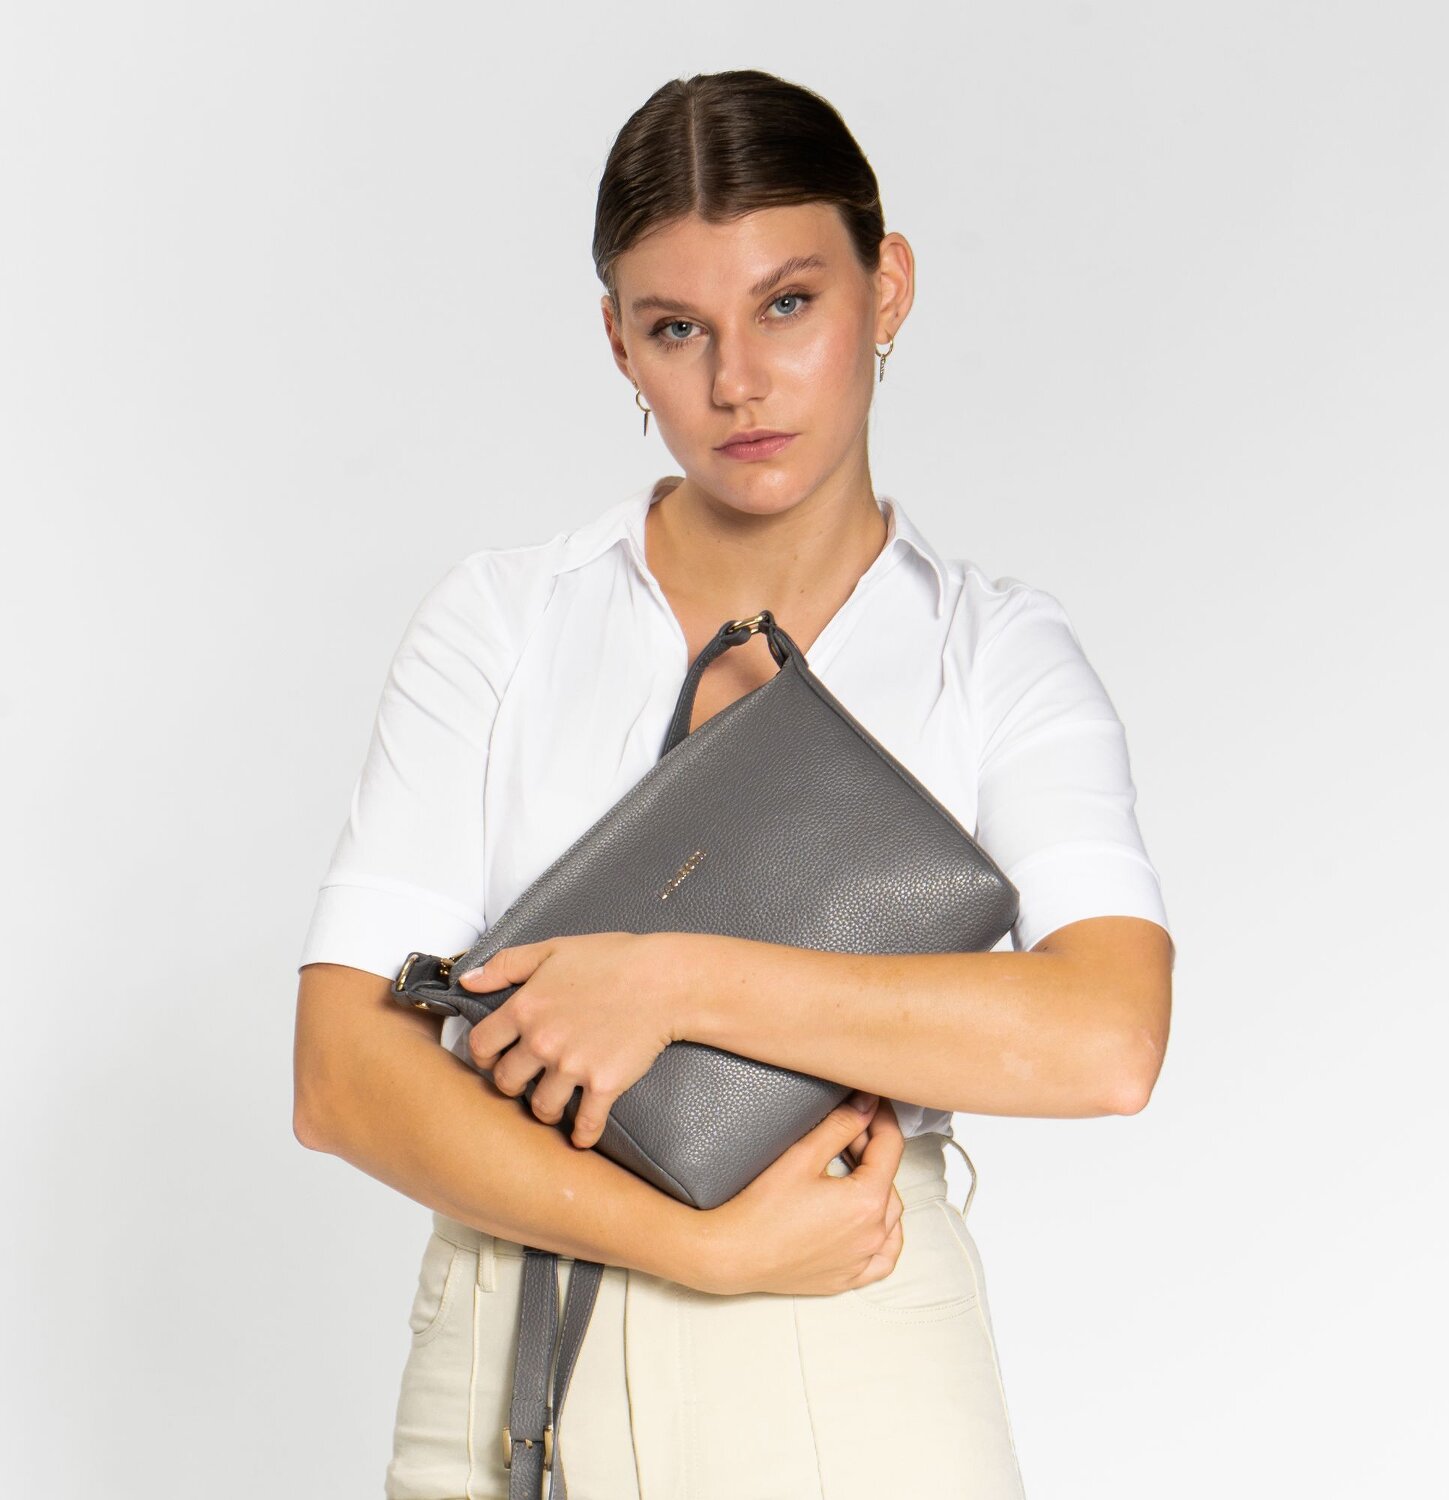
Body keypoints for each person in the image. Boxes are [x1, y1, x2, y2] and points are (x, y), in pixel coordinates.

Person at [293, 68, 1174, 1500]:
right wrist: (697, 1246)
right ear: (617, 341)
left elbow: (1106, 1038)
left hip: (849, 1342)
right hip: (510, 1354)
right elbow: (341, 1073)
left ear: (887, 288)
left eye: (788, 303)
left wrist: (673, 980)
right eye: (676, 328)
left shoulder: (991, 652)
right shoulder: (504, 623)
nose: (737, 383)